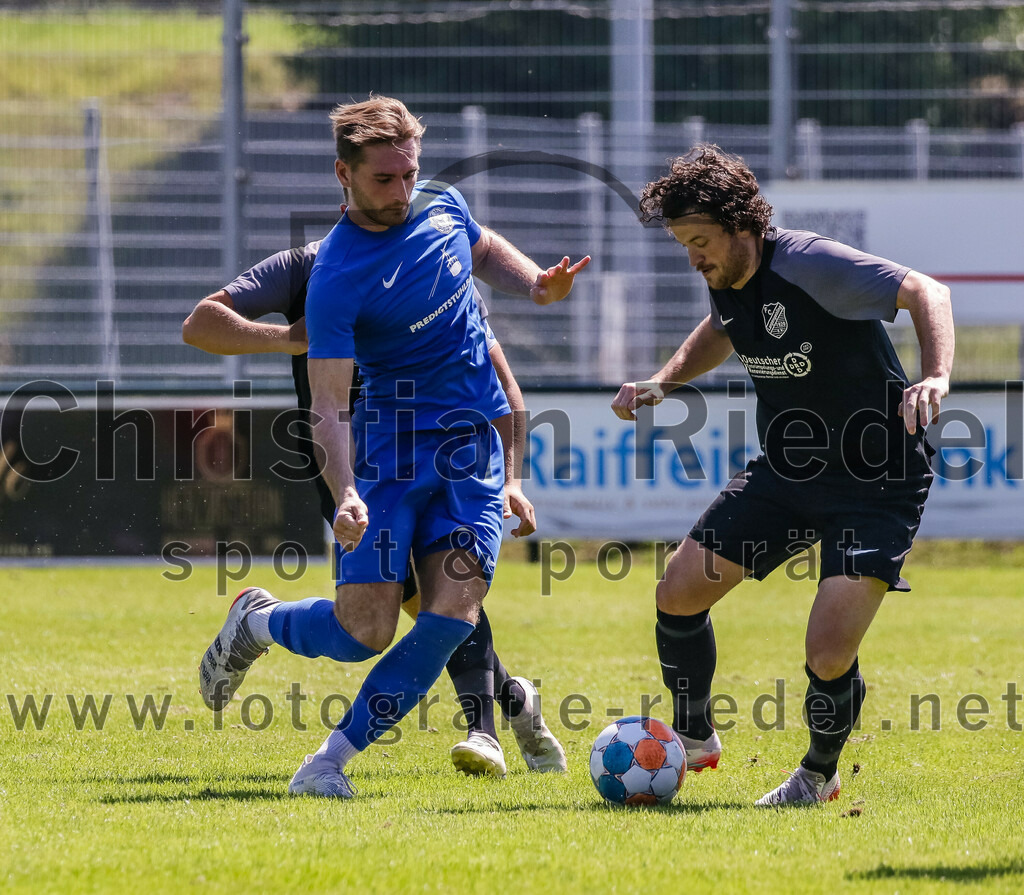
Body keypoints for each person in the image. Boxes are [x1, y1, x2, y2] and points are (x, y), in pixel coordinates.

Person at [197, 95, 589, 798]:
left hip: (472, 451)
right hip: (388, 452)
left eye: (410, 172)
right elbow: (325, 403)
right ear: (342, 174)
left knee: (450, 612)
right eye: (385, 179)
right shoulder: (336, 275)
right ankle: (258, 623)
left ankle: (327, 761)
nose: (404, 191)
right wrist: (345, 490)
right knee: (365, 629)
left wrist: (534, 283)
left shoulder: (441, 202)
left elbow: (483, 246)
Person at [611, 144, 953, 806]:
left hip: (877, 475)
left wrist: (935, 375)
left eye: (701, 241)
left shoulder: (810, 263)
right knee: (678, 592)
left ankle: (817, 776)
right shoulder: (728, 277)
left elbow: (926, 290)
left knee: (827, 653)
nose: (694, 257)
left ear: (742, 225)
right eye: (685, 243)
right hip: (789, 469)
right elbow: (721, 327)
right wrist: (663, 381)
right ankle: (695, 734)